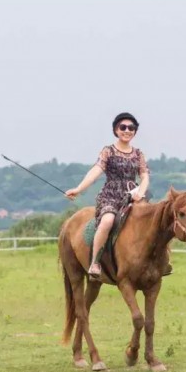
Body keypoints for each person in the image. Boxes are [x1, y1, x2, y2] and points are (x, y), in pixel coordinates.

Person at [65, 112, 151, 279]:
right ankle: (95, 262)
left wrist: (140, 192)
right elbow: (96, 171)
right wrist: (79, 188)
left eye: (131, 128)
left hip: (133, 195)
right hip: (111, 195)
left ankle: (160, 261)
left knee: (155, 220)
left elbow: (145, 175)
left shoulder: (138, 153)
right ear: (116, 130)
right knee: (107, 221)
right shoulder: (108, 151)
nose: (127, 130)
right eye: (123, 127)